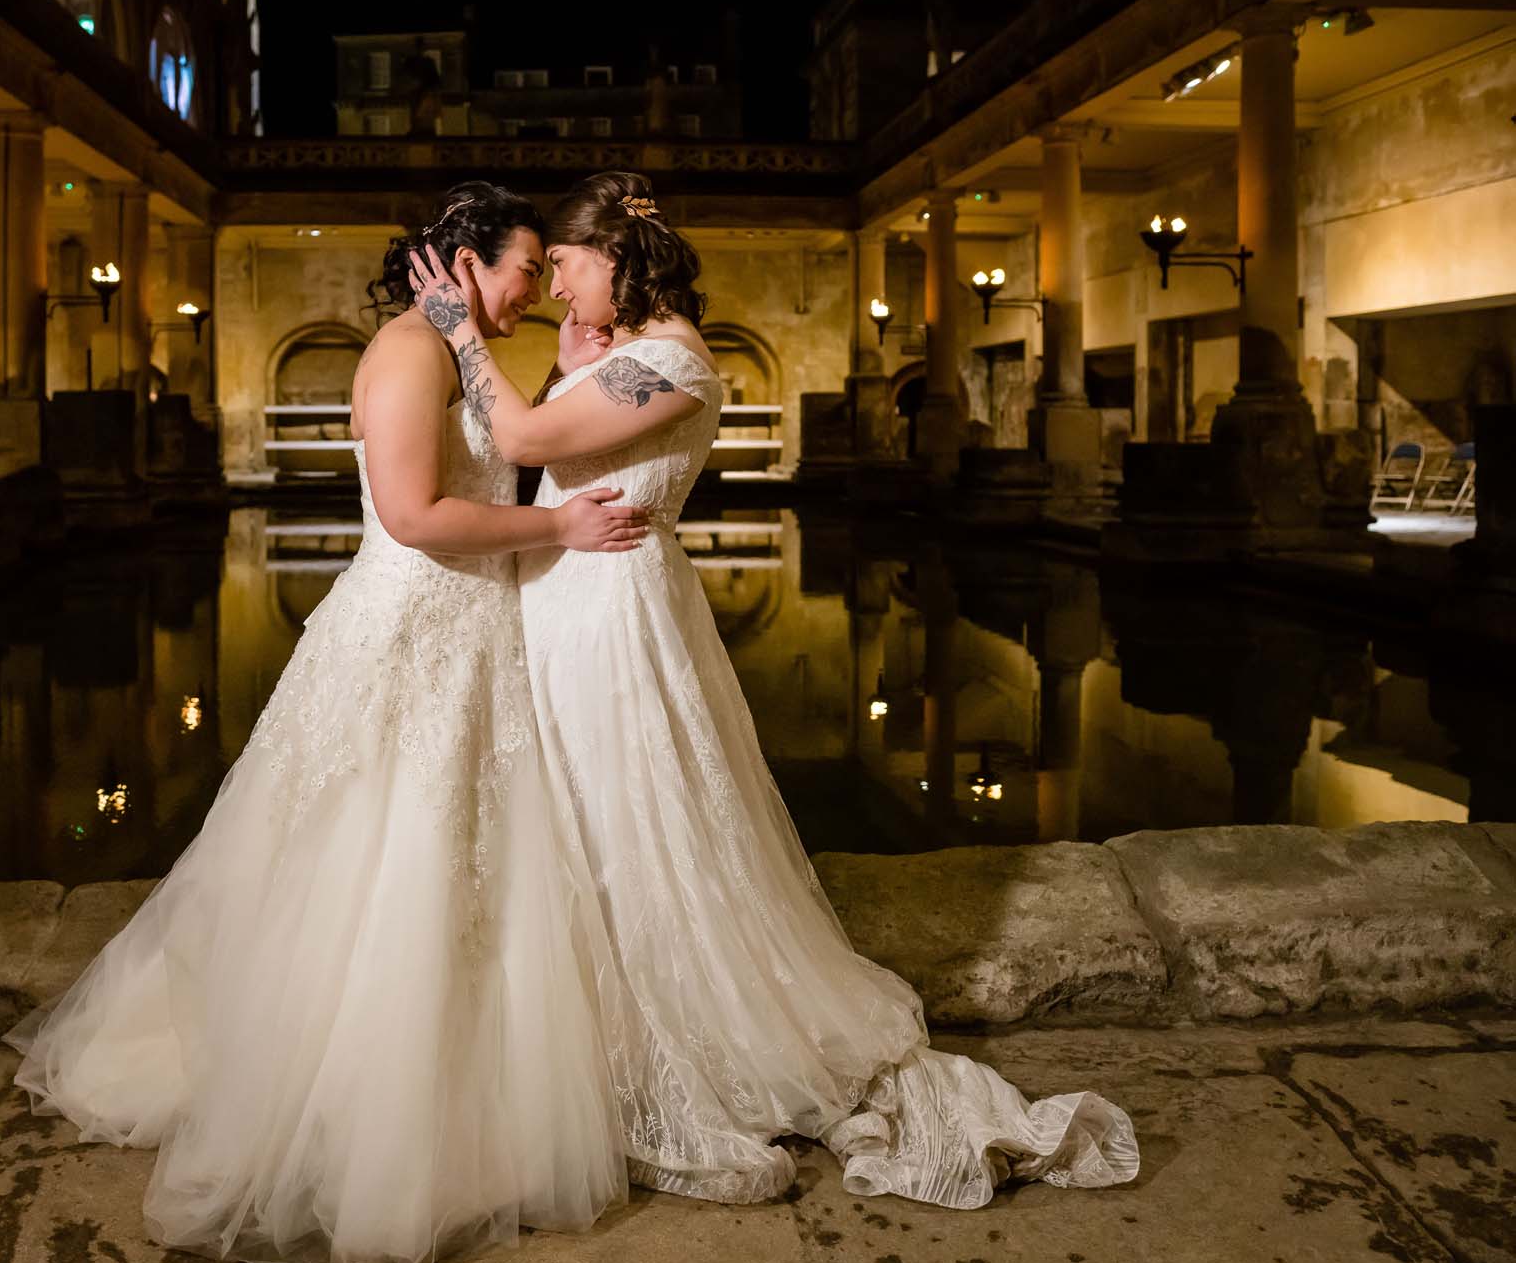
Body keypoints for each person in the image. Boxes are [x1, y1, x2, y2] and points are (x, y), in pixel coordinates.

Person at [407, 170, 1139, 1208]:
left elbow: (521, 444)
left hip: (607, 615)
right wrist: (568, 364)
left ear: (614, 257)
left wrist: (461, 332)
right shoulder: (623, 354)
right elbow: (553, 444)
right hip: (568, 596)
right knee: (565, 816)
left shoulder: (672, 363)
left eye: (565, 270)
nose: (559, 292)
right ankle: (562, 1028)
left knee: (621, 813)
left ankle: (649, 1038)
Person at [7, 181, 653, 1263]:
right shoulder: (404, 353)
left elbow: (528, 434)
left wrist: (589, 342)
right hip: (408, 630)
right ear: (458, 262)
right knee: (379, 856)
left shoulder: (468, 354)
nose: (534, 286)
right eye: (520, 265)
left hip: (479, 632)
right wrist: (554, 527)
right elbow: (412, 515)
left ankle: (468, 1089)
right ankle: (358, 1113)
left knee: (471, 862)